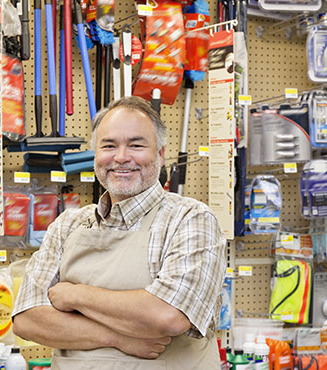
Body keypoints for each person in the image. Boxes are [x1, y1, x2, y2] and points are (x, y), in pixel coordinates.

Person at [12, 96, 227, 369]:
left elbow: (169, 315)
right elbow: (27, 320)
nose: (121, 157)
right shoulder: (67, 225)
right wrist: (117, 338)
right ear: (96, 155)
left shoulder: (190, 219)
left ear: (160, 155)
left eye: (136, 145)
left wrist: (75, 296)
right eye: (109, 146)